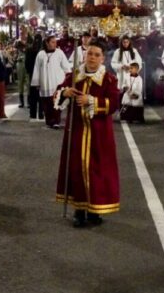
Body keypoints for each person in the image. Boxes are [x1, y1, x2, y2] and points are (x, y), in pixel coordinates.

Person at [54, 38, 120, 227]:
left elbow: (113, 103)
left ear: (103, 59)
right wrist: (64, 92)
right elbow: (60, 91)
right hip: (76, 131)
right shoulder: (75, 75)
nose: (92, 58)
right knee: (76, 168)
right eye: (90, 53)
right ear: (85, 54)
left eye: (96, 55)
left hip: (99, 135)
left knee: (97, 172)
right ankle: (79, 210)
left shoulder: (109, 79)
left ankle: (95, 210)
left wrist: (92, 101)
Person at [31, 35, 71, 129]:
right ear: (47, 43)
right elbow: (36, 69)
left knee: (56, 102)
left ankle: (56, 121)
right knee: (46, 103)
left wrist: (68, 77)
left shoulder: (59, 53)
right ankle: (49, 121)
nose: (55, 44)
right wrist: (36, 83)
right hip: (44, 82)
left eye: (55, 42)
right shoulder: (40, 54)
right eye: (52, 42)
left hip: (56, 82)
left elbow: (66, 66)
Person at [25, 35, 45, 121]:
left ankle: (32, 113)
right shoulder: (43, 51)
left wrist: (30, 72)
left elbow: (27, 64)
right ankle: (41, 113)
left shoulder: (29, 50)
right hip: (42, 75)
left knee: (33, 95)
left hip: (32, 75)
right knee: (41, 95)